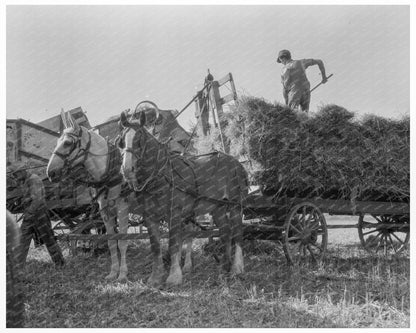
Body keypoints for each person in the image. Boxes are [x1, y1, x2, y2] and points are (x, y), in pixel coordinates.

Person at [11, 163, 65, 267]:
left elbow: (38, 200)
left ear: (22, 171)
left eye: (16, 175)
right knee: (23, 238)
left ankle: (60, 263)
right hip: (31, 213)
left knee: (48, 239)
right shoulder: (26, 180)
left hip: (39, 213)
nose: (15, 178)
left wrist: (30, 212)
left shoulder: (33, 180)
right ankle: (18, 266)